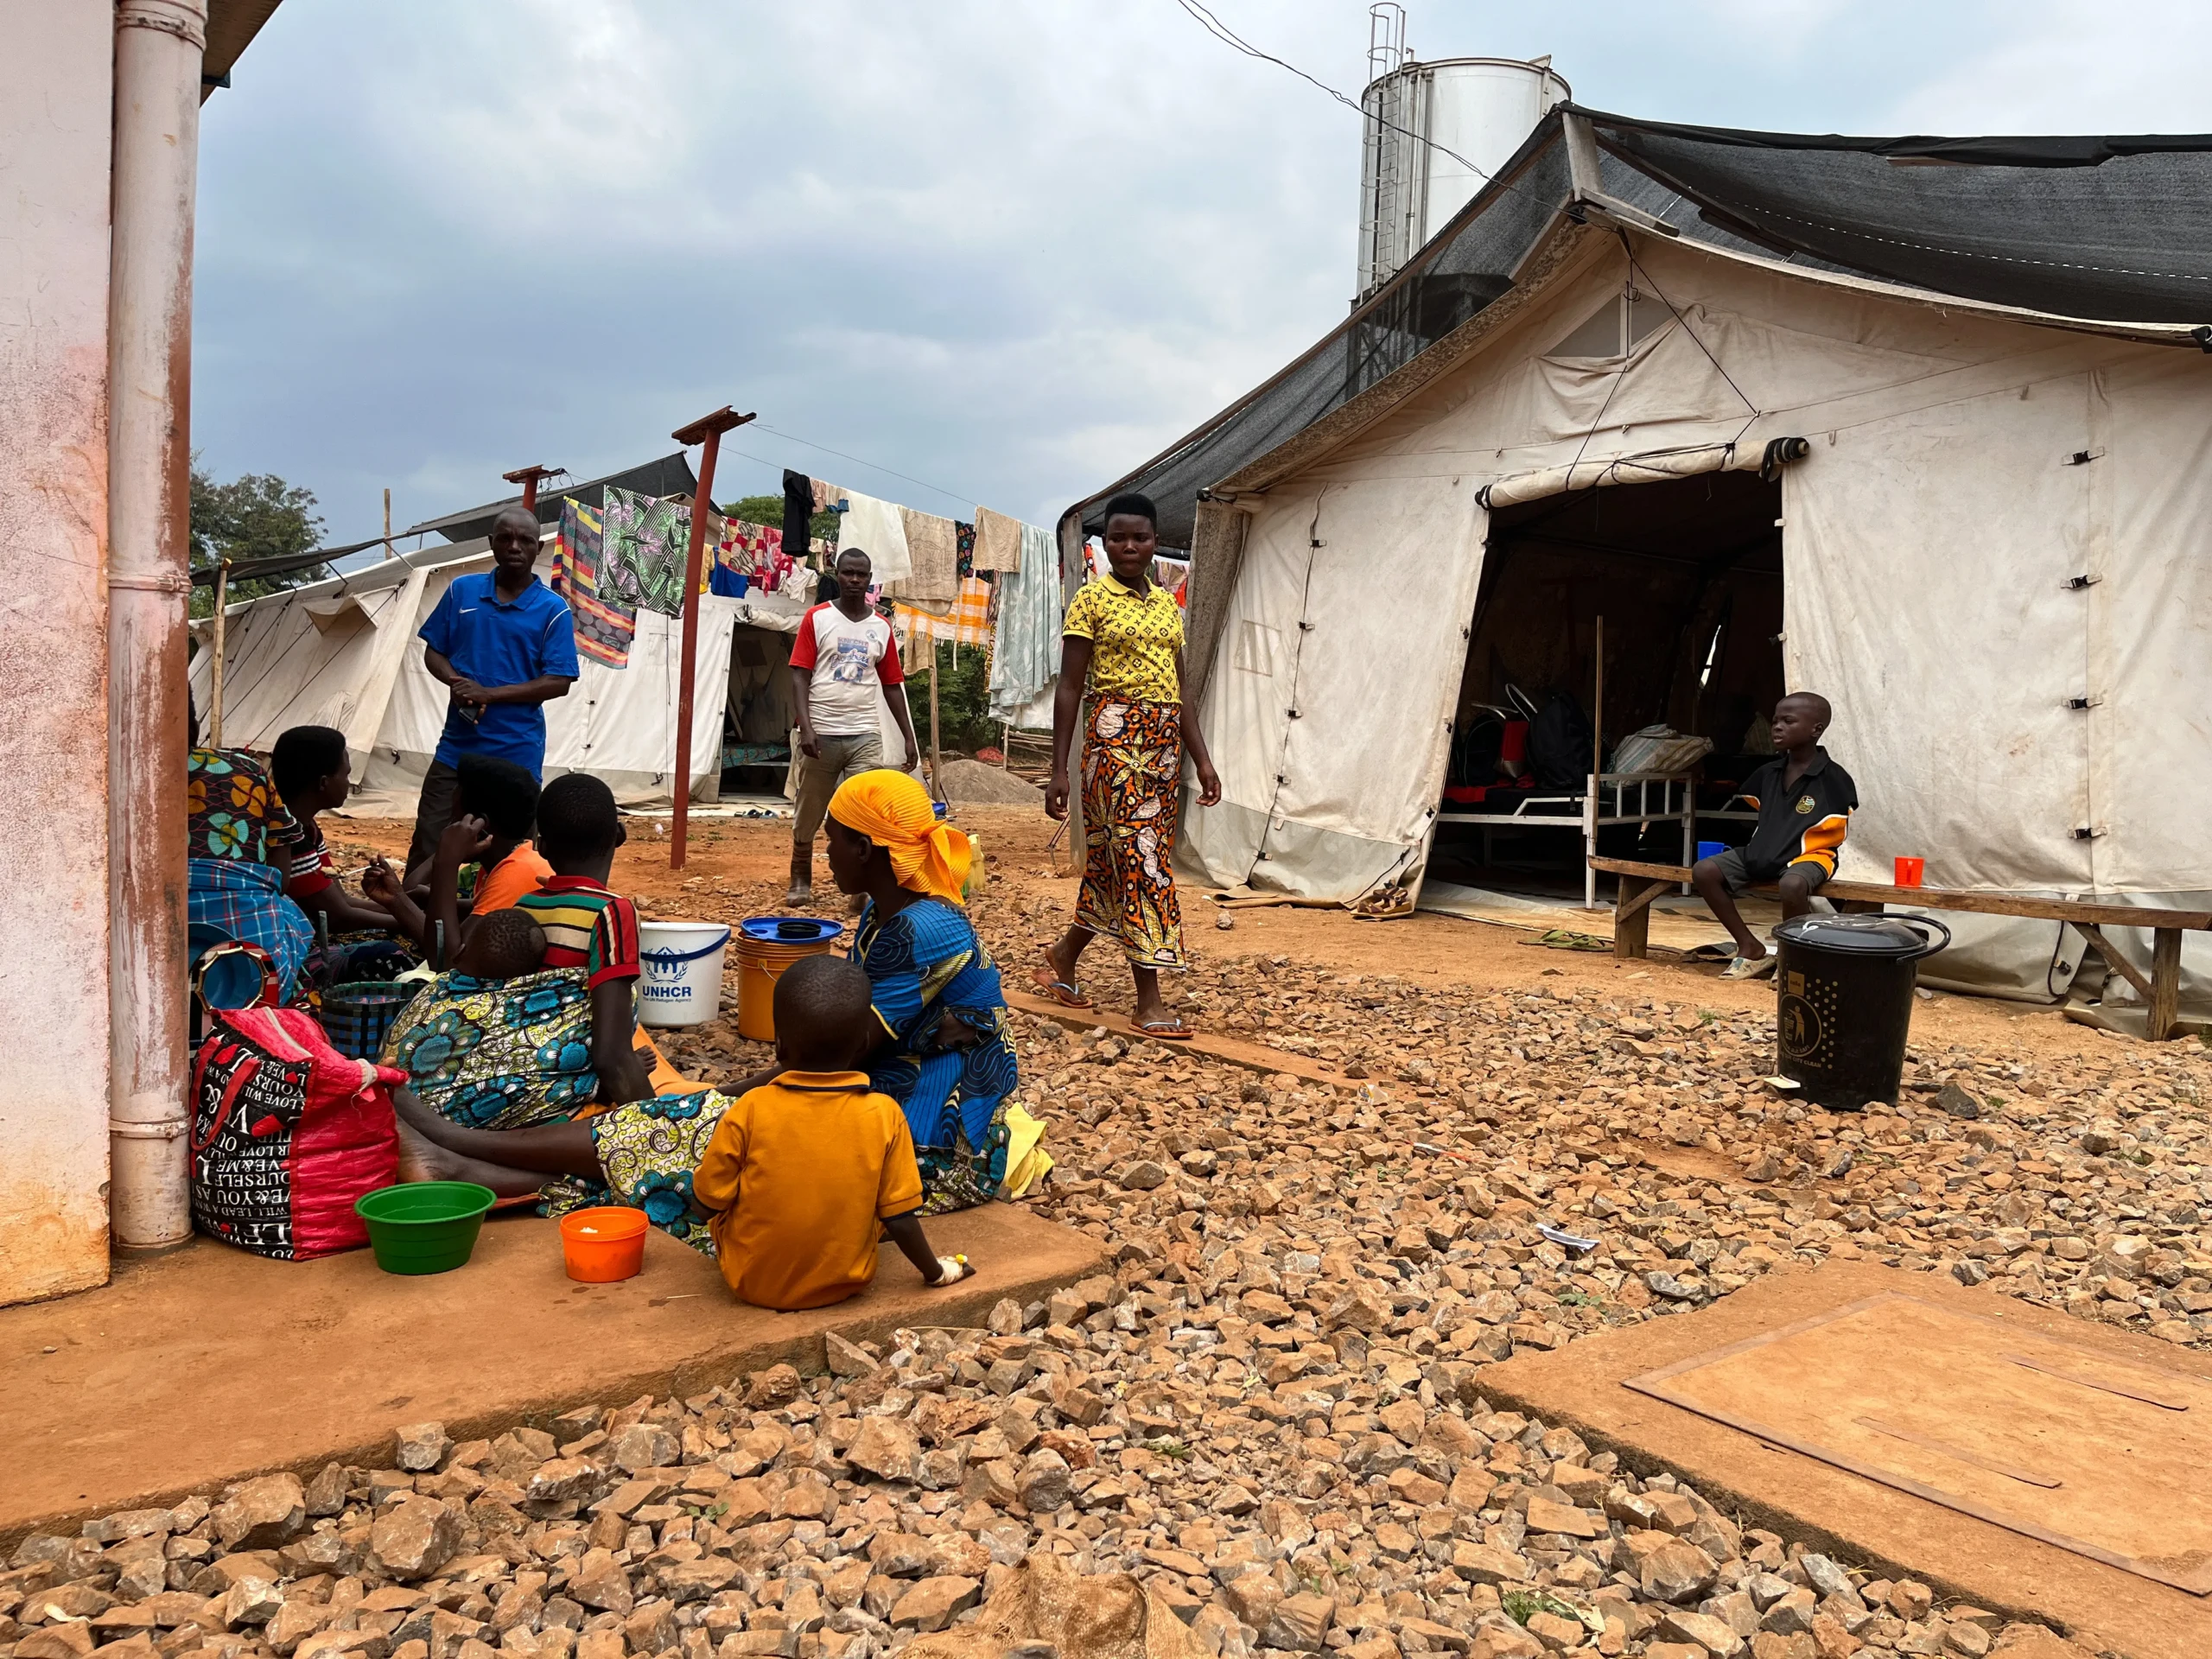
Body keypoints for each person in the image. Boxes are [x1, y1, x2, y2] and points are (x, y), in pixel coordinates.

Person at [391, 954, 973, 1308]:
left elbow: (707, 1199)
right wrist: (935, 1272)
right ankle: (473, 1165)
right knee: (662, 1174)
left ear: (782, 1048)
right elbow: (899, 1215)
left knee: (671, 1174)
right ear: (858, 1049)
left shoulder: (752, 1112)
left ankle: (464, 1151)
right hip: (849, 1281)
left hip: (750, 1281)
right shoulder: (884, 1115)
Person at [819, 769, 1047, 1211]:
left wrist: (740, 1093)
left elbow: (839, 1057)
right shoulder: (883, 913)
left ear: (864, 849)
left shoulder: (917, 930)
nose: (826, 853)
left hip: (949, 1147)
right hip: (920, 1096)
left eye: (831, 840)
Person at [1039, 492, 1222, 1038]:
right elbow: (1070, 687)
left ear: (1154, 540)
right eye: (1118, 537)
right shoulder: (1090, 602)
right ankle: (1149, 1001)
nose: (1129, 546)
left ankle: (1064, 957)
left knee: (1111, 867)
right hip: (1113, 746)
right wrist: (1059, 768)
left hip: (1163, 751)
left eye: (1139, 537)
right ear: (1106, 542)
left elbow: (1181, 690)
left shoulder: (1169, 604)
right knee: (1144, 863)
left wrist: (1203, 760)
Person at [372, 772, 652, 1124]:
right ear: (617, 838)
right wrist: (657, 1123)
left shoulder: (525, 905)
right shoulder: (613, 911)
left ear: (542, 845)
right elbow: (611, 1056)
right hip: (552, 1080)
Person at [407, 504, 579, 873]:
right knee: (430, 839)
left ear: (538, 548)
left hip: (516, 752)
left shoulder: (554, 610)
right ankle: (416, 920)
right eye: (505, 538)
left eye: (525, 540)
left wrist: (489, 694)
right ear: (491, 543)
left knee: (514, 852)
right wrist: (458, 684)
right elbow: (434, 652)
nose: (514, 546)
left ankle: (503, 921)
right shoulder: (461, 592)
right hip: (457, 748)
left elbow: (560, 682)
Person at [784, 547, 920, 905]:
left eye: (861, 575)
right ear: (837, 573)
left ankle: (860, 886)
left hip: (865, 732)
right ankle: (800, 875)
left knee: (863, 809)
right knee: (810, 806)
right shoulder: (817, 618)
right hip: (822, 731)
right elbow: (800, 676)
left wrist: (908, 736)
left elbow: (891, 684)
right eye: (848, 573)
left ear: (870, 578)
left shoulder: (881, 627)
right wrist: (806, 727)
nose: (855, 581)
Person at [1693, 692, 1856, 980]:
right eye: (1776, 721)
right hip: (1763, 852)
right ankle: (1749, 946)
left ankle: (1793, 956)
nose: (1777, 727)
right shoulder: (1768, 772)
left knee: (1792, 885)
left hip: (1810, 856)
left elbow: (1837, 828)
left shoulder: (1833, 778)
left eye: (1788, 721)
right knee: (1704, 870)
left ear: (1816, 730)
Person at [188, 701, 315, 1002]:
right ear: (193, 725)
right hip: (251, 970)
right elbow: (282, 880)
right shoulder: (246, 772)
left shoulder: (109, 776)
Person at [268, 727, 397, 936]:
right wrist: (413, 922)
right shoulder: (290, 835)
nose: (348, 783)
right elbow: (337, 916)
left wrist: (407, 910)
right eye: (346, 775)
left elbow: (343, 901)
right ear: (323, 782)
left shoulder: (307, 827)